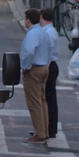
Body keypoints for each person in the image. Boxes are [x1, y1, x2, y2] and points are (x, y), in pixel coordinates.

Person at [19, 8, 52, 143]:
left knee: (34, 102)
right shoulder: (43, 32)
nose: (24, 21)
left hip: (34, 69)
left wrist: (25, 67)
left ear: (28, 20)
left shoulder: (32, 33)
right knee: (42, 101)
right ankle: (44, 130)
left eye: (25, 18)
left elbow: (29, 51)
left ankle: (39, 133)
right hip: (44, 66)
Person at [39, 8, 60, 139]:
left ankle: (50, 128)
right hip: (51, 65)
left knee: (48, 98)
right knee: (49, 97)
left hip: (49, 65)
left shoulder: (48, 33)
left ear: (42, 18)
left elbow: (46, 51)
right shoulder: (50, 31)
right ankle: (47, 127)